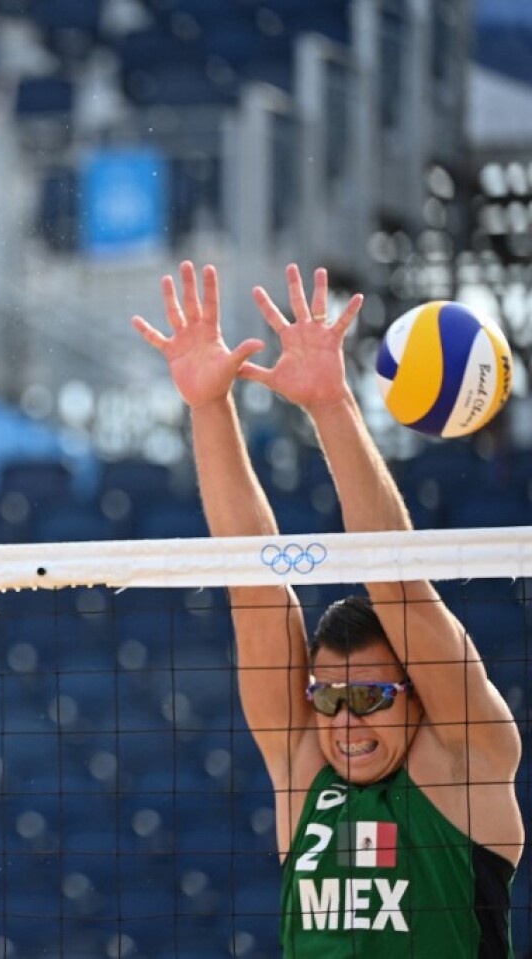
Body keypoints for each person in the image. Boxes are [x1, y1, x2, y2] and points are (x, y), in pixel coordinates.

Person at [133, 262, 522, 955]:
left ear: (415, 695)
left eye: (369, 695)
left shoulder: (463, 757)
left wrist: (331, 404)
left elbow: (399, 584)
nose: (344, 720)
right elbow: (255, 588)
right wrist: (208, 406)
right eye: (329, 695)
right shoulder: (305, 763)